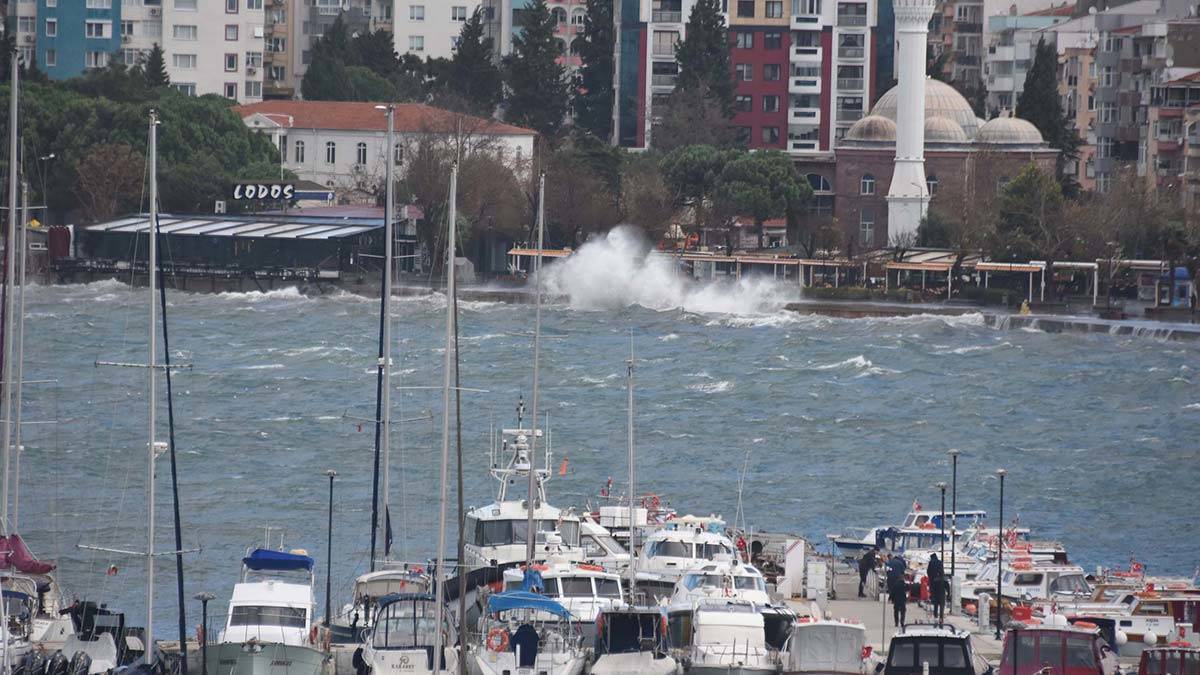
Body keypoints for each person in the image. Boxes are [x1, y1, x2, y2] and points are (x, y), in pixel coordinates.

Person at [928, 553, 946, 624]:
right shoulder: (940, 562)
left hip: (933, 582)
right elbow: (942, 570)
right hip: (941, 590)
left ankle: (935, 616)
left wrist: (930, 578)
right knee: (942, 605)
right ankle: (941, 618)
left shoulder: (931, 562)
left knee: (935, 603)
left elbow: (928, 571)